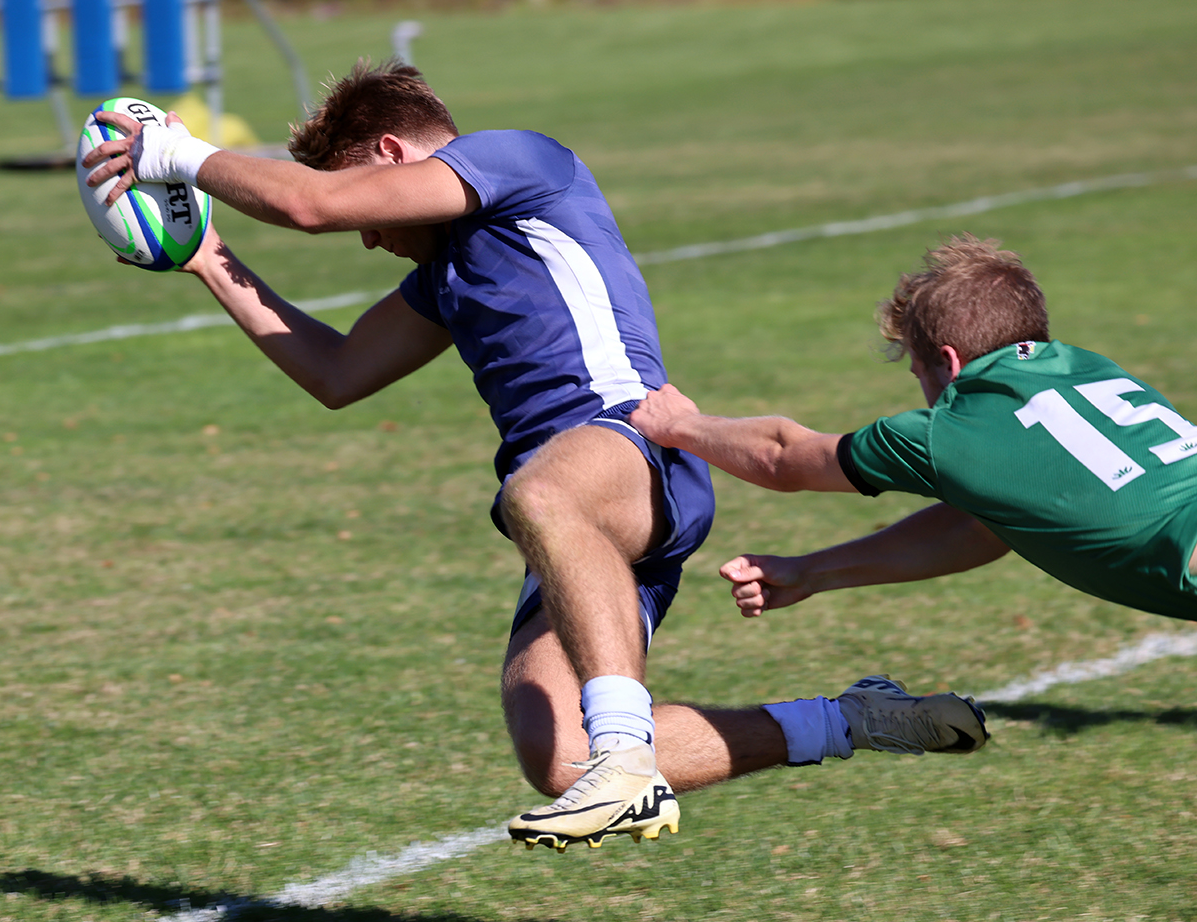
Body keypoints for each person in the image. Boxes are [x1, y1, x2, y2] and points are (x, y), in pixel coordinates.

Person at [83, 60, 986, 852]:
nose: (369, 234)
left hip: (634, 445)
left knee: (540, 499)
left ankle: (626, 762)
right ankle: (850, 720)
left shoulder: (523, 163)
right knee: (557, 756)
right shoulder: (444, 275)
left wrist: (176, 153)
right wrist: (210, 257)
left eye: (368, 200)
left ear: (394, 155)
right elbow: (337, 371)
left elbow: (311, 206)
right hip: (574, 501)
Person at [629, 235, 1197, 633]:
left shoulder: (950, 432)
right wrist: (810, 572)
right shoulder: (1091, 367)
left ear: (948, 363)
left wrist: (677, 425)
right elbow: (979, 528)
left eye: (918, 373)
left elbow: (783, 457)